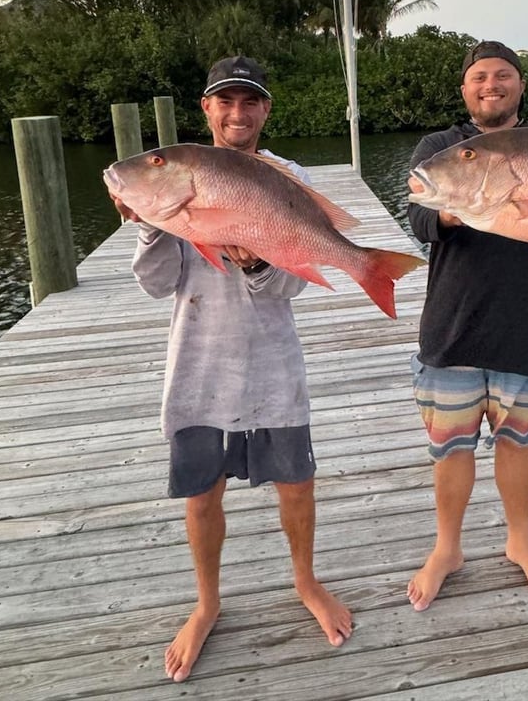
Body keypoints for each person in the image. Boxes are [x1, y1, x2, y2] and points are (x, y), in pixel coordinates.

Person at [112, 55, 352, 683]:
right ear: (207, 109)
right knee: (201, 495)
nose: (238, 113)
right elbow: (158, 285)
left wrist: (253, 263)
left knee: (296, 484)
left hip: (273, 363)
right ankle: (207, 602)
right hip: (197, 363)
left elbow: (290, 291)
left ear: (265, 110)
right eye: (226, 102)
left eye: (250, 103)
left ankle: (305, 580)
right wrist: (151, 229)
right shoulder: (176, 188)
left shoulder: (287, 177)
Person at [406, 40, 528, 612]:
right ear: (465, 89)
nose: (490, 85)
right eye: (479, 77)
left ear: (521, 85)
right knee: (450, 448)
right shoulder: (441, 149)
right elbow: (420, 218)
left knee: (516, 441)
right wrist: (463, 198)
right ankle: (447, 548)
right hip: (452, 328)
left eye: (502, 76)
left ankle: (519, 540)